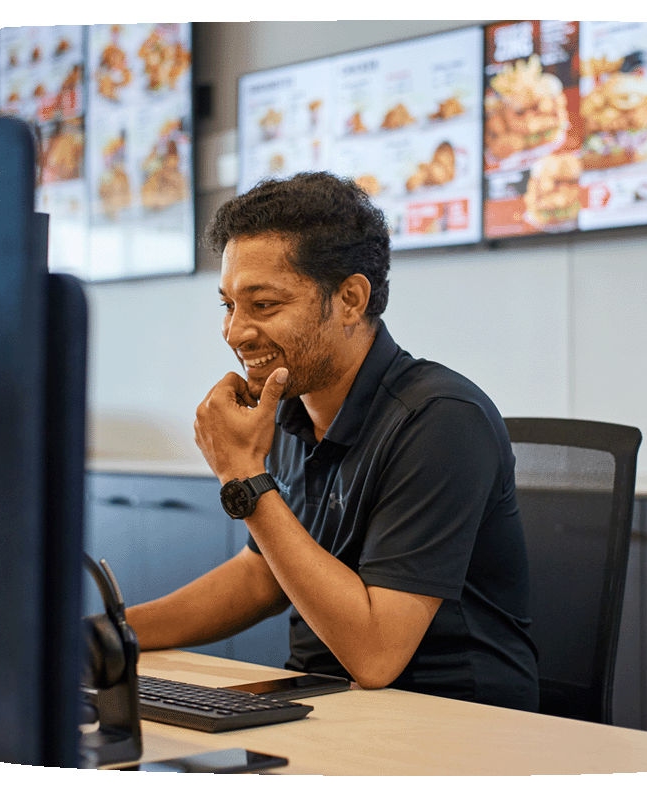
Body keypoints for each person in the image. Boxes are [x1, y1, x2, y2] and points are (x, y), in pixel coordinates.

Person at [126, 171, 539, 711]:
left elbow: (375, 657)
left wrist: (244, 479)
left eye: (264, 305)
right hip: (324, 703)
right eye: (228, 305)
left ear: (349, 299)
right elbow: (262, 576)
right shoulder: (292, 408)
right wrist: (109, 633)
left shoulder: (440, 419)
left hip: (447, 721)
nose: (235, 332)